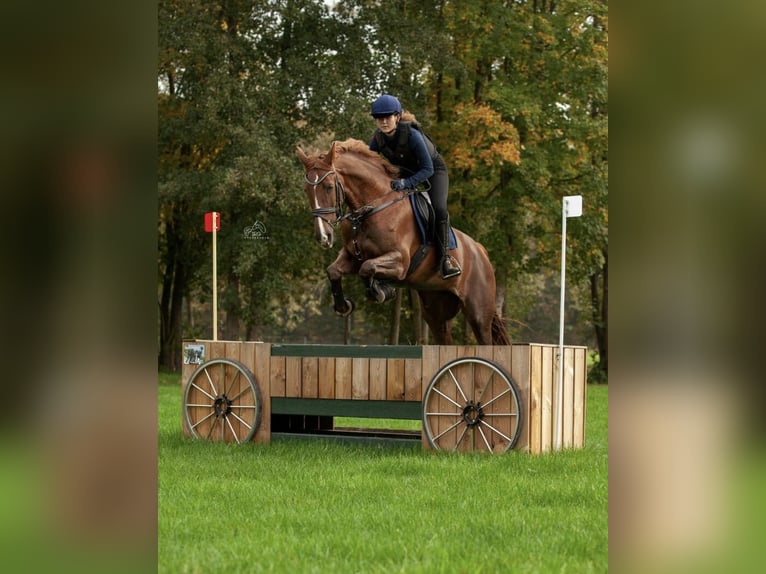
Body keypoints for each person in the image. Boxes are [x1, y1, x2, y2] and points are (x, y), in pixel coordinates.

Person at [368, 94, 461, 279]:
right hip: (405, 173)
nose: (383, 121)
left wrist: (406, 183)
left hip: (434, 172)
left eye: (388, 116)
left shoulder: (412, 135)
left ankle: (445, 259)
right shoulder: (377, 139)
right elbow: (370, 165)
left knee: (439, 209)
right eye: (379, 118)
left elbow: (428, 169)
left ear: (398, 116)